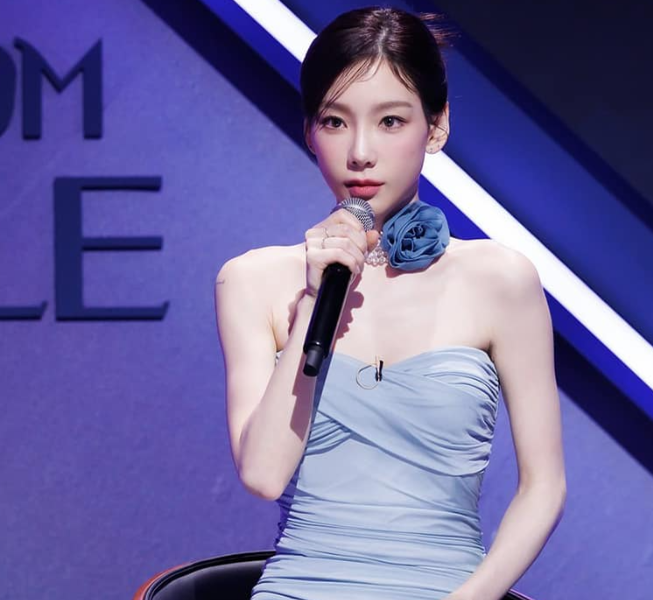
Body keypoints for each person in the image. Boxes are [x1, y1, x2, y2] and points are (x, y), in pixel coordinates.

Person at [214, 6, 565, 600]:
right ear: (309, 131)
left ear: (437, 126)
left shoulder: (500, 279)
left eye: (390, 121)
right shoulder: (252, 281)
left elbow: (544, 487)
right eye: (335, 121)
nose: (360, 152)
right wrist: (315, 301)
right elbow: (264, 474)